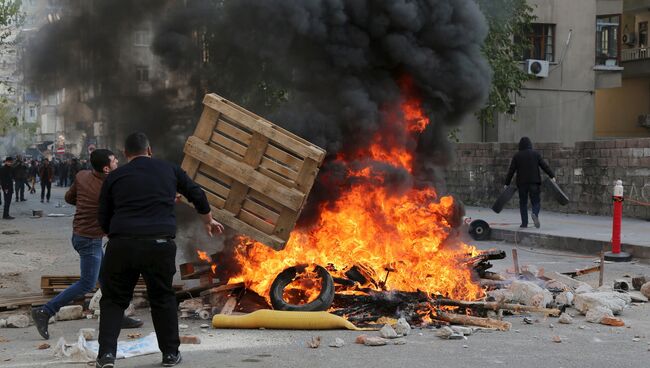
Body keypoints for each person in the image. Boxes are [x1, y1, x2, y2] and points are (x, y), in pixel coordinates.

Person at [95, 132, 224, 368]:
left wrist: (114, 233)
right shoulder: (169, 169)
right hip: (159, 244)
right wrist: (208, 220)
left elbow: (103, 215)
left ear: (125, 154)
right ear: (150, 150)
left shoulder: (115, 176)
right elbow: (197, 193)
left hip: (122, 244)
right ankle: (170, 355)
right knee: (162, 298)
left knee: (113, 300)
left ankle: (106, 356)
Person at [31, 149, 143, 340]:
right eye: (115, 161)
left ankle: (117, 316)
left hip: (82, 235)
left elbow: (68, 197)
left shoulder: (82, 176)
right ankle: (45, 311)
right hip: (90, 240)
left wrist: (85, 205)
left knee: (107, 279)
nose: (118, 162)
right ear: (107, 168)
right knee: (87, 283)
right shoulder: (109, 187)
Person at [504, 137, 556, 228]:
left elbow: (511, 171)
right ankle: (535, 213)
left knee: (523, 203)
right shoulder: (535, 154)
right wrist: (552, 176)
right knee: (536, 201)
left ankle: (524, 223)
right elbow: (544, 166)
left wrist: (506, 183)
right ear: (530, 144)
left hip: (522, 184)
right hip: (534, 183)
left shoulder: (517, 156)